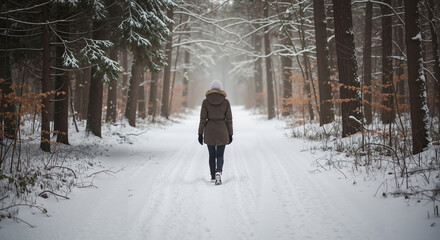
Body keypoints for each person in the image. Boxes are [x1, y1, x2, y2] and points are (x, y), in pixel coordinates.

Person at [198, 79, 233, 185]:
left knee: (211, 155)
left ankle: (213, 176)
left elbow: (202, 119)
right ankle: (219, 172)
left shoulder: (205, 101)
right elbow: (229, 119)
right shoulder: (226, 102)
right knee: (220, 155)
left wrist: (200, 133)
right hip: (223, 130)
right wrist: (230, 133)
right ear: (220, 89)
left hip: (210, 130)